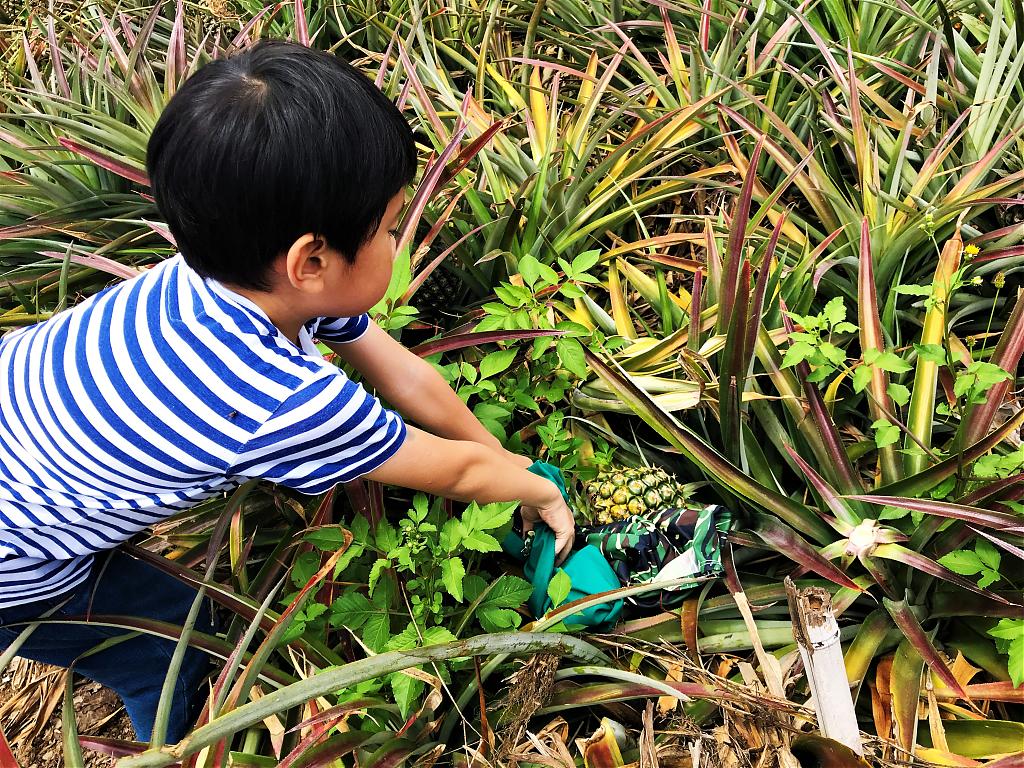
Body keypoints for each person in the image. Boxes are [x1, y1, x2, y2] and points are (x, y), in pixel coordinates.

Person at [0, 40, 575, 743]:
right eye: (391, 228)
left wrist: (509, 463)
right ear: (312, 260)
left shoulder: (234, 269)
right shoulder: (273, 398)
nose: (398, 240)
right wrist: (542, 491)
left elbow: (403, 373)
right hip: (11, 564)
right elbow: (451, 471)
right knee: (170, 645)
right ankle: (169, 751)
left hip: (20, 428)